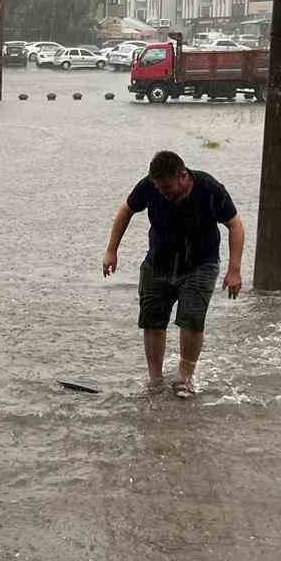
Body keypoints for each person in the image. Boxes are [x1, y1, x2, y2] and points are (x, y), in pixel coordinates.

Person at [102, 150, 245, 398]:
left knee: (191, 320)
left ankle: (185, 378)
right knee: (152, 321)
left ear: (183, 176)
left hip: (201, 263)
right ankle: (155, 380)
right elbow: (126, 210)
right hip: (159, 261)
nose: (162, 192)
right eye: (158, 187)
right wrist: (111, 250)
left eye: (166, 187)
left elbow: (235, 224)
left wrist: (234, 270)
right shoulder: (150, 186)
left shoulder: (209, 189)